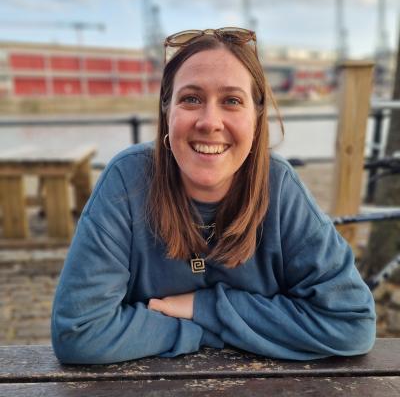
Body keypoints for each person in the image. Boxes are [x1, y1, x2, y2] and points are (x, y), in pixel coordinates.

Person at [51, 28, 376, 364]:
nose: (209, 122)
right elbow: (79, 332)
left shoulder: (280, 189)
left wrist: (200, 308)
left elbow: (351, 323)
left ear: (256, 116)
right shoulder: (126, 181)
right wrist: (207, 329)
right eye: (191, 98)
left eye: (232, 101)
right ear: (167, 111)